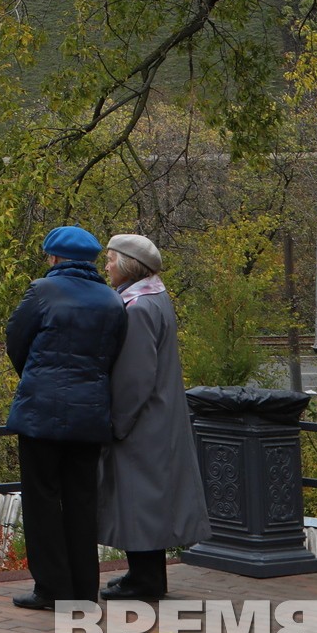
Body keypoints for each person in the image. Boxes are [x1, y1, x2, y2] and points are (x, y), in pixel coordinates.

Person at [4, 225, 128, 610]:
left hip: (40, 412)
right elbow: (113, 355)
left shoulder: (42, 290)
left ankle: (50, 588)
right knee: (81, 501)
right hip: (89, 415)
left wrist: (37, 377)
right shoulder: (112, 300)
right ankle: (83, 588)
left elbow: (15, 339)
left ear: (55, 257)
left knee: (41, 499)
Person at [97, 232, 211, 599]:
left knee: (139, 498)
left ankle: (145, 581)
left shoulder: (138, 307)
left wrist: (118, 421)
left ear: (129, 264)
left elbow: (134, 377)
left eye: (111, 259)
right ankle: (142, 575)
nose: (107, 265)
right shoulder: (154, 297)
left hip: (143, 422)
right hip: (158, 416)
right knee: (148, 498)